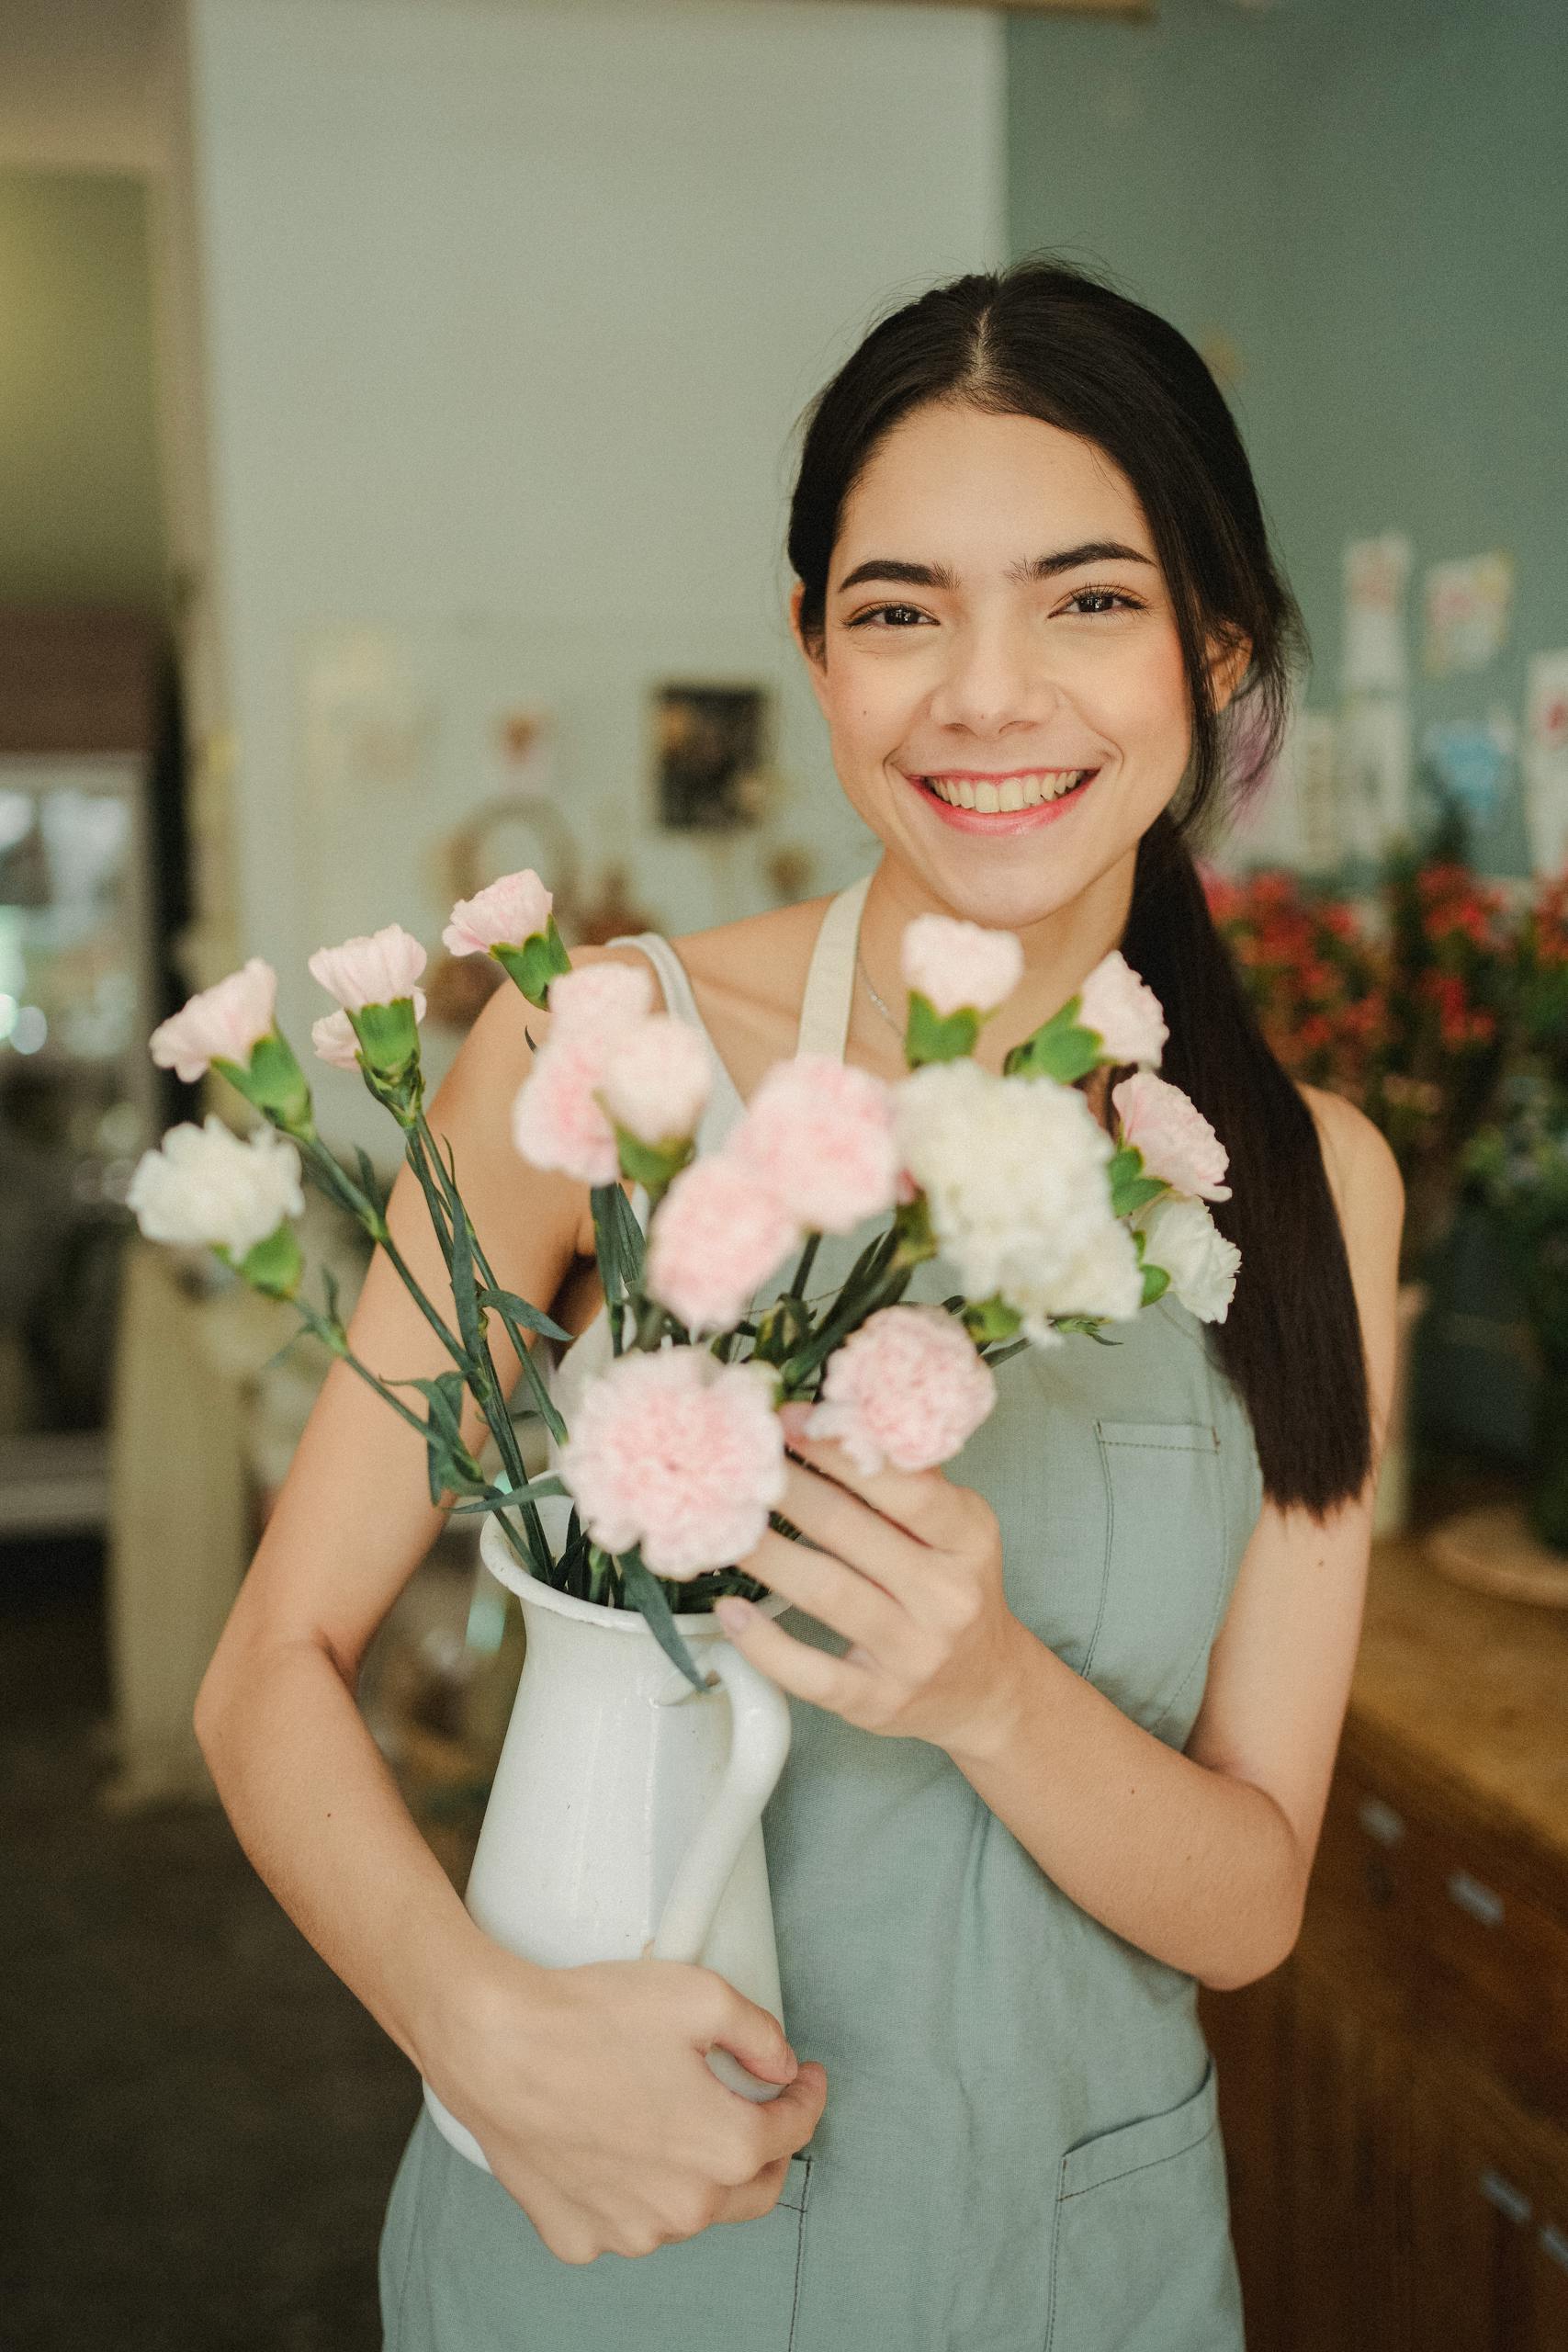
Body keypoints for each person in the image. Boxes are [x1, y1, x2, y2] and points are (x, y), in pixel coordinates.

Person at [193, 254, 1403, 2350]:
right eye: (897, 606)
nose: (986, 692)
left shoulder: (1306, 1181)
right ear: (808, 650)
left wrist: (988, 1693)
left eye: (1088, 599)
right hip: (616, 2231)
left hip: (1068, 2253)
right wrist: (472, 2026)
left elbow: (1251, 1893)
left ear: (1214, 647)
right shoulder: (602, 1056)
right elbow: (270, 1663)